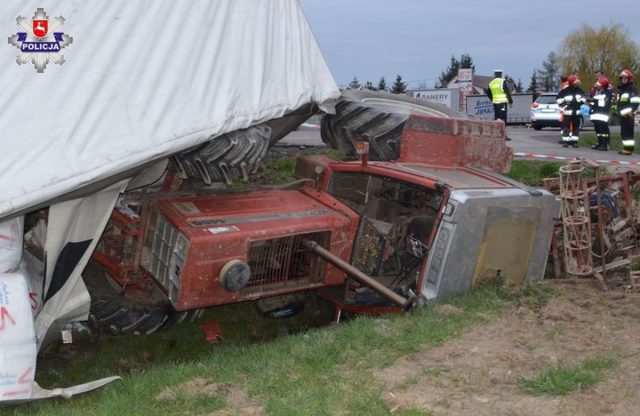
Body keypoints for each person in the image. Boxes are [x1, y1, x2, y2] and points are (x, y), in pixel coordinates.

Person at [556, 74, 586, 148]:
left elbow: (584, 99)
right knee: (566, 127)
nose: (577, 84)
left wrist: (579, 104)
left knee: (576, 127)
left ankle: (574, 142)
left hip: (577, 112)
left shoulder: (580, 91)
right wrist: (565, 105)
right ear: (572, 83)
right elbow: (558, 100)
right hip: (568, 113)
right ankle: (566, 141)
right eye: (576, 83)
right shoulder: (565, 91)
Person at [616, 69, 640, 155]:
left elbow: (636, 101)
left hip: (629, 115)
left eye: (625, 78)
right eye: (622, 78)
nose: (623, 80)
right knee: (623, 132)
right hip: (623, 115)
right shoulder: (623, 89)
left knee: (628, 132)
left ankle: (629, 149)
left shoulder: (632, 89)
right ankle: (626, 148)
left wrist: (631, 111)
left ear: (629, 79)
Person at [486, 69, 513, 140]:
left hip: (495, 103)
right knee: (503, 118)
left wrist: (493, 99)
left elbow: (488, 93)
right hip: (502, 103)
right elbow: (506, 91)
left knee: (497, 118)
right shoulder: (502, 81)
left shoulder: (491, 83)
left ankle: (497, 134)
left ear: (495, 75)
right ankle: (504, 135)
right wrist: (510, 100)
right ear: (501, 75)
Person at [589, 77, 612, 151]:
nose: (598, 86)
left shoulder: (607, 93)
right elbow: (595, 102)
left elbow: (603, 99)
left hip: (602, 115)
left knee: (604, 131)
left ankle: (604, 145)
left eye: (599, 85)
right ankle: (599, 143)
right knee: (598, 130)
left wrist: (594, 99)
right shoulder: (598, 92)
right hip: (596, 114)